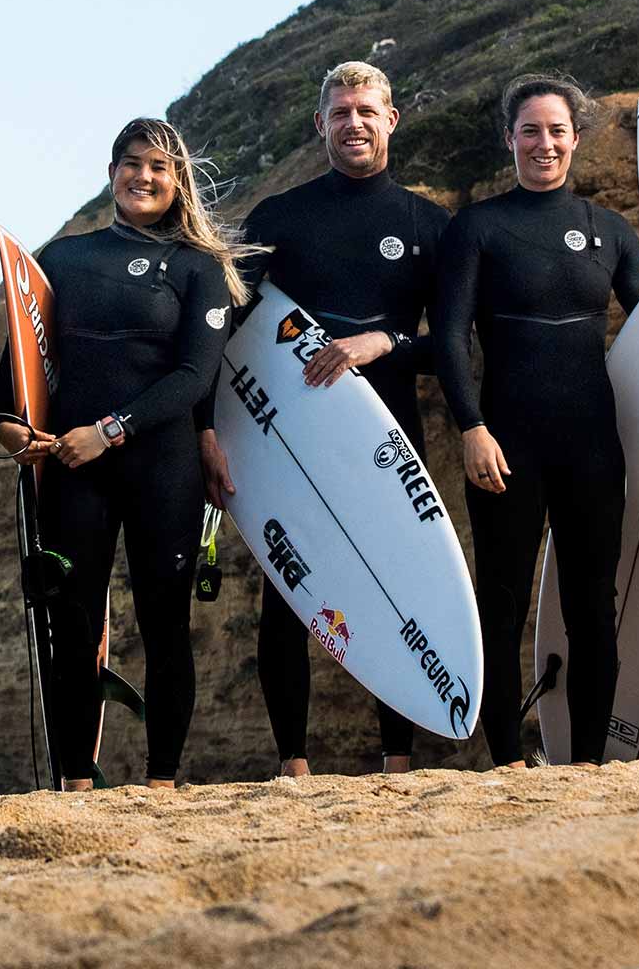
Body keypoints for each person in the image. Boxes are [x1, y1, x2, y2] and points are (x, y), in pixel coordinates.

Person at [196, 61, 449, 776]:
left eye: (367, 110)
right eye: (340, 113)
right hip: (291, 436)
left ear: (391, 119)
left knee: (394, 588)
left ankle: (397, 757)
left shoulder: (428, 225)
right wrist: (209, 430)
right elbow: (222, 329)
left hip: (388, 436)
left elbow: (452, 345)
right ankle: (293, 761)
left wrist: (386, 342)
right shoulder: (281, 218)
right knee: (288, 591)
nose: (354, 123)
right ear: (321, 125)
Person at [0, 118, 254, 790]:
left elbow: (194, 379)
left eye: (160, 167)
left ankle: (162, 779)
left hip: (161, 467)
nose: (144, 176)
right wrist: (12, 431)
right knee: (72, 621)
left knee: (165, 621)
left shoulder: (198, 268)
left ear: (177, 183)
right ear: (112, 172)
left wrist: (107, 430)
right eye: (132, 163)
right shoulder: (64, 258)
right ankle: (77, 777)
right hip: (74, 469)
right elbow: (15, 374)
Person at [434, 73, 639, 767]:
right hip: (505, 442)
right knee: (501, 603)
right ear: (510, 139)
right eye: (531, 130)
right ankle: (506, 757)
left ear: (576, 139)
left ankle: (588, 762)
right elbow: (449, 336)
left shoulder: (609, 231)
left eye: (557, 130)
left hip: (591, 446)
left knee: (594, 607)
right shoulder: (479, 226)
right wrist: (470, 425)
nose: (545, 143)